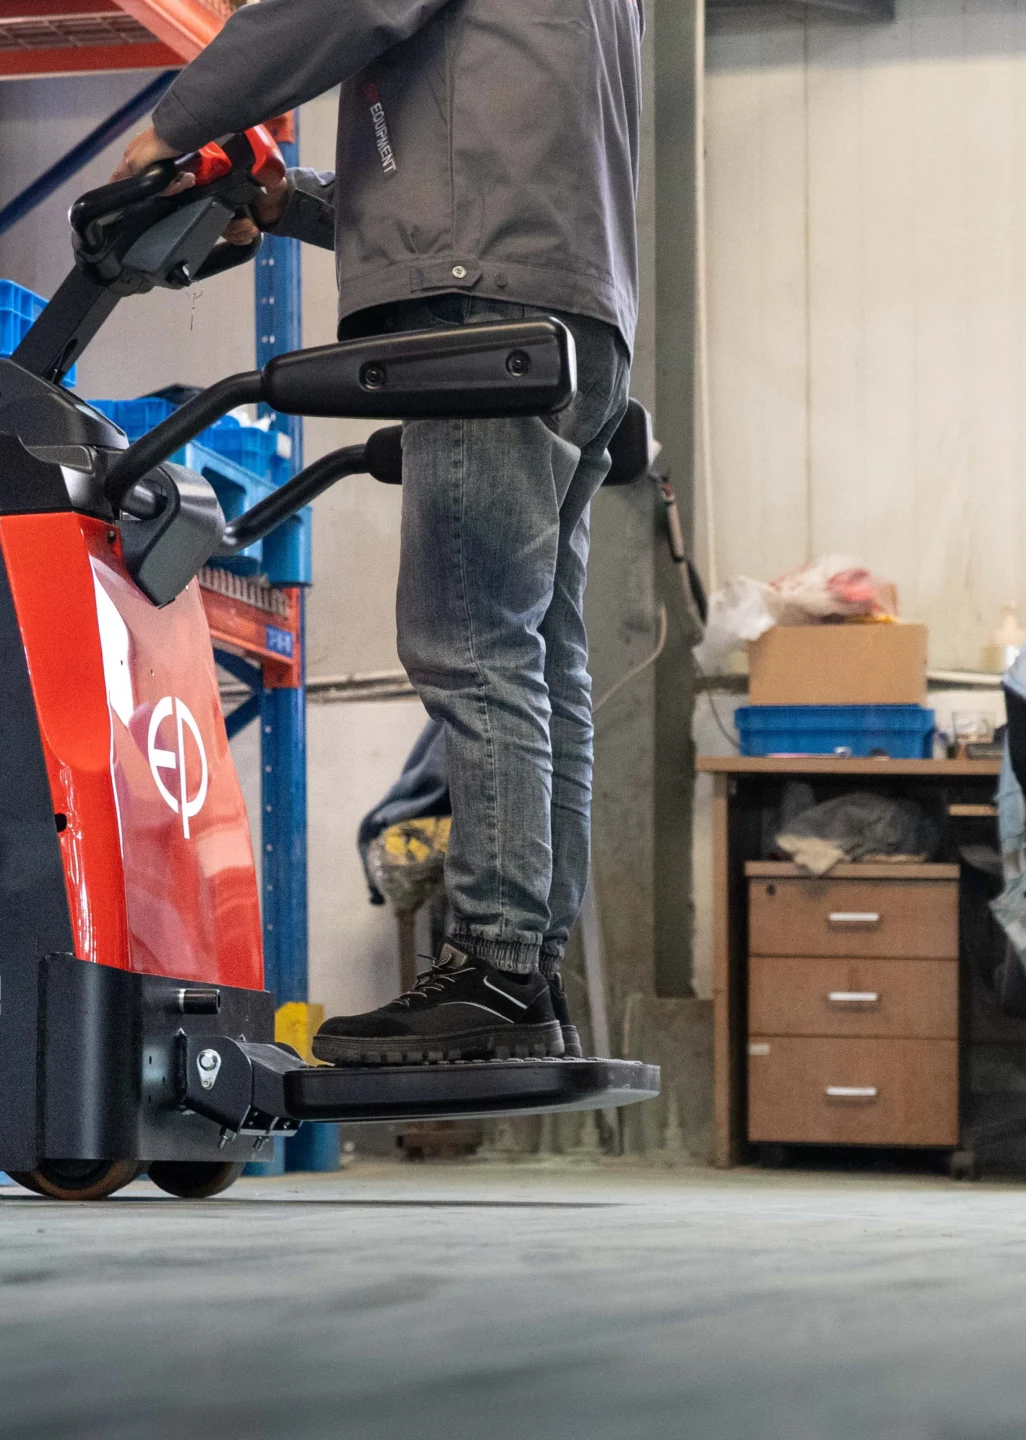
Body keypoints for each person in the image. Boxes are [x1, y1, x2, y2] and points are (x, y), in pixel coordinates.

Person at [111, 0, 641, 1064]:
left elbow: (344, 6)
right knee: (541, 660)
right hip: (576, 316)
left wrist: (172, 126)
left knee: (473, 644)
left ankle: (492, 969)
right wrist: (286, 199)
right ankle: (527, 971)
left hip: (481, 309)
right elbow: (473, 149)